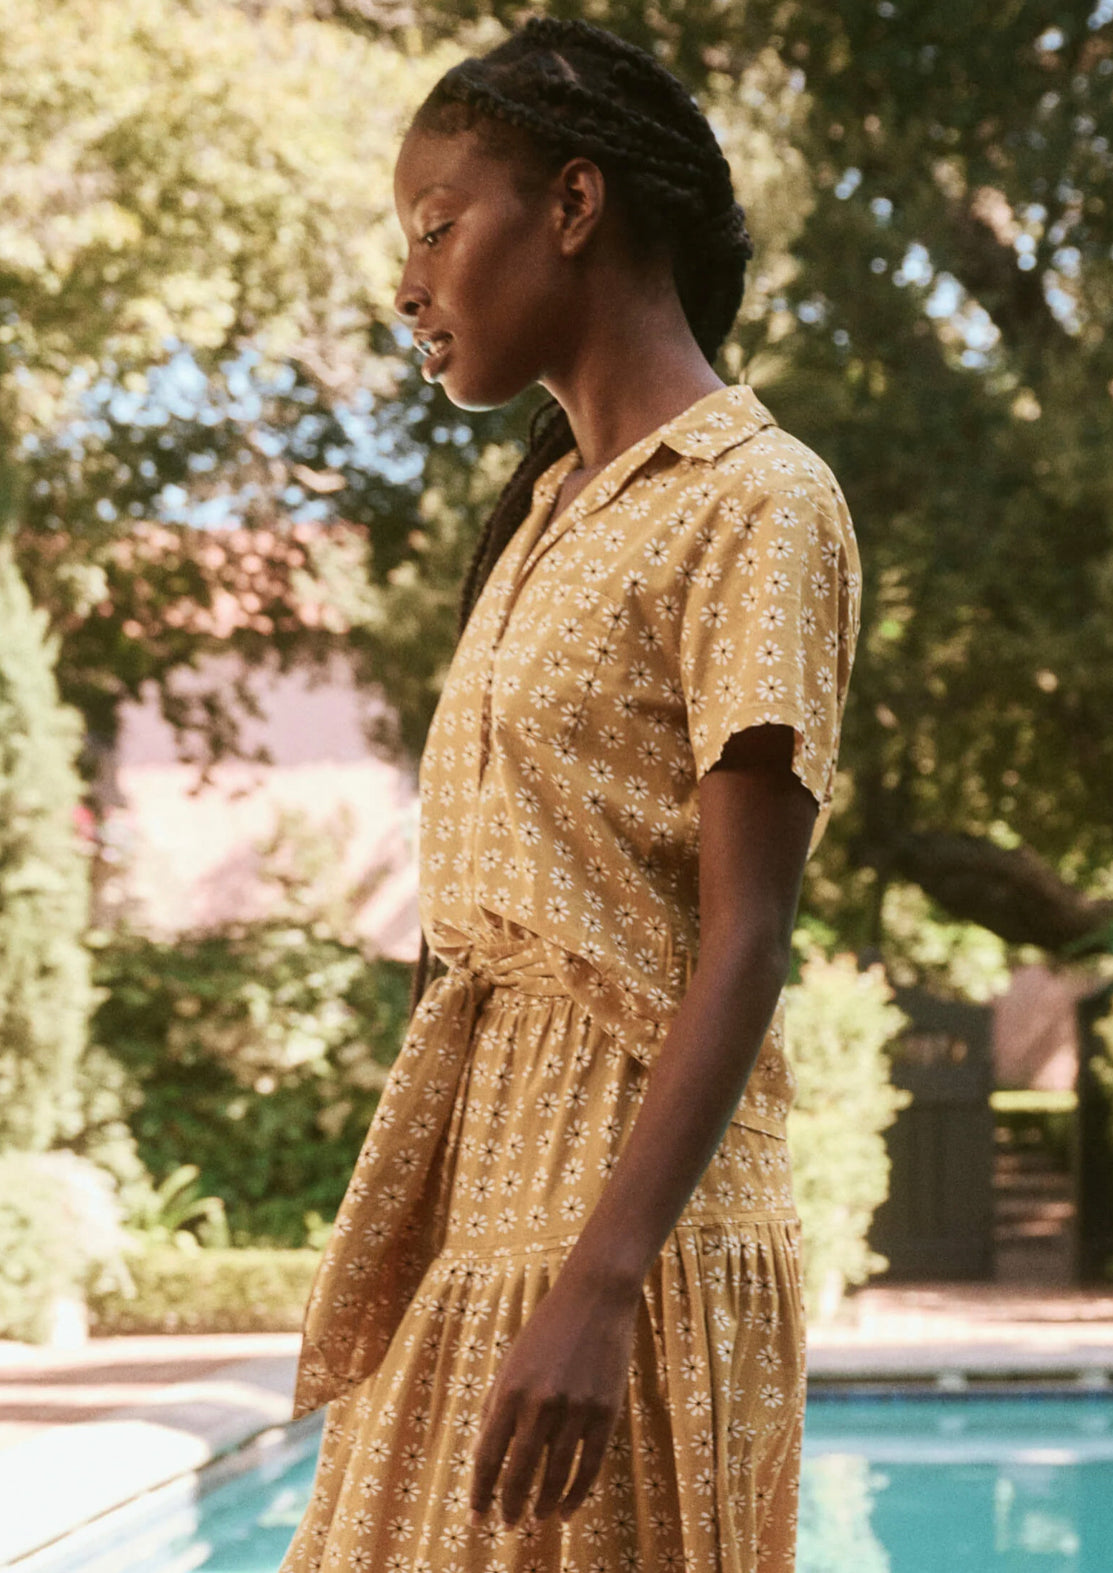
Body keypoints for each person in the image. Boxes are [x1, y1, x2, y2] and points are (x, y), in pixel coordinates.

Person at [279, 15, 861, 1573]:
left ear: (576, 202)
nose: (407, 283)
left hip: (626, 1227)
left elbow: (747, 934)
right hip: (479, 1201)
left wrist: (601, 1287)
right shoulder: (541, 512)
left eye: (434, 225)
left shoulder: (757, 500)